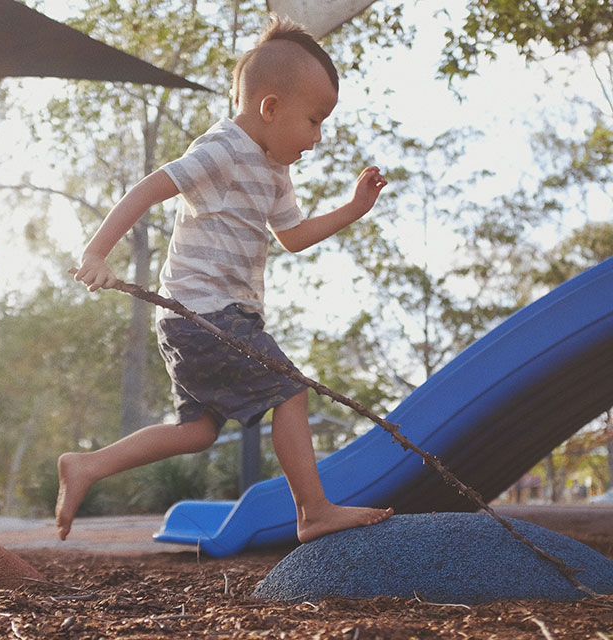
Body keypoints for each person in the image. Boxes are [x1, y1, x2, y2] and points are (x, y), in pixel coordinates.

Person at [56, 14, 392, 543]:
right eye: (314, 120)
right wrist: (98, 252)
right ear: (271, 107)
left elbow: (295, 236)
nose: (319, 138)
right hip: (204, 312)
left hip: (203, 318)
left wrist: (353, 209)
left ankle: (88, 465)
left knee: (197, 432)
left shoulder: (274, 171)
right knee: (292, 391)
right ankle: (313, 510)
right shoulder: (222, 149)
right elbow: (148, 189)